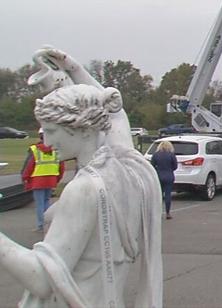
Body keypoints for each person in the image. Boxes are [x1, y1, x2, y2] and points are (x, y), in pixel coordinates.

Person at [0, 48, 163, 307]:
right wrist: (74, 69)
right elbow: (116, 113)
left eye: (53, 130)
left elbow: (42, 279)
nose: (47, 140)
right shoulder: (130, 173)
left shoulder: (85, 189)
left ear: (85, 130)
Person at [21, 128, 65, 233]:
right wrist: (57, 179)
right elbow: (61, 167)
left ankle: (41, 225)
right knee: (46, 202)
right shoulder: (56, 149)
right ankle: (49, 224)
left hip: (38, 180)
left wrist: (25, 177)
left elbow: (29, 166)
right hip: (51, 180)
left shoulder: (35, 150)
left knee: (40, 204)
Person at [151, 139, 178, 219]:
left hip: (159, 175)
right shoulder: (171, 155)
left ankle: (157, 212)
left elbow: (152, 165)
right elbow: (175, 166)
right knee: (168, 195)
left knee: (159, 195)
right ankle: (167, 213)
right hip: (169, 175)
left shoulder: (156, 155)